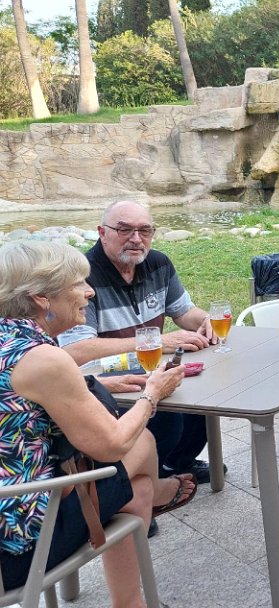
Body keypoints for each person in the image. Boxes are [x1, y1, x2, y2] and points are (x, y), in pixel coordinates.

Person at [0, 241, 195, 606]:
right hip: (19, 543)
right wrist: (152, 393)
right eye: (78, 283)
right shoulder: (42, 359)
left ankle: (132, 599)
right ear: (41, 299)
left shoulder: (9, 341)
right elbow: (112, 444)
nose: (89, 291)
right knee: (140, 443)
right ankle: (159, 492)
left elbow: (19, 396)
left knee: (135, 486)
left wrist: (97, 384)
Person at [59, 200, 224, 488]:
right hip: (105, 380)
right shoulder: (82, 277)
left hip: (150, 368)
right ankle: (144, 481)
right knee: (169, 415)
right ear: (102, 232)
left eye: (145, 231)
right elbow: (77, 350)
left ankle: (177, 462)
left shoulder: (158, 263)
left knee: (204, 397)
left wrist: (206, 319)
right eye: (125, 230)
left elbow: (183, 312)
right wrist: (156, 341)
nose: (136, 239)